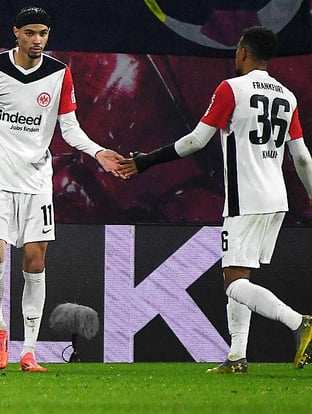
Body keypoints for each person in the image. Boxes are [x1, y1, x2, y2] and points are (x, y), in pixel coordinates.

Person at [117, 26, 312, 374]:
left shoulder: (231, 89)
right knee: (240, 276)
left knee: (234, 283)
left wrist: (146, 161)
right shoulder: (287, 96)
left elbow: (196, 141)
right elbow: (302, 159)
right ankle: (237, 357)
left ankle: (299, 323)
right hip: (277, 199)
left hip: (245, 199)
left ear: (242, 52)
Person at [0, 6, 124, 373]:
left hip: (36, 183)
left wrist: (97, 152)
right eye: (31, 33)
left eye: (44, 34)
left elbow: (69, 128)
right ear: (16, 33)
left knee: (34, 263)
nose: (38, 40)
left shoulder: (59, 74)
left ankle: (29, 351)